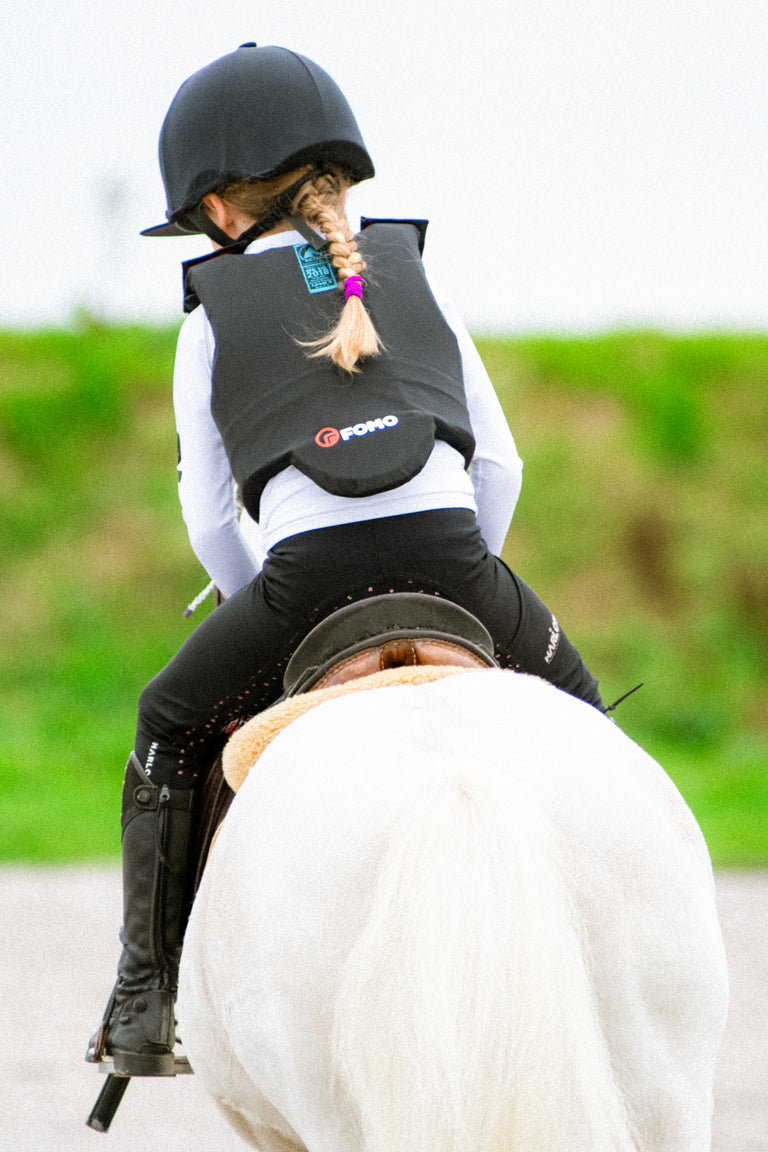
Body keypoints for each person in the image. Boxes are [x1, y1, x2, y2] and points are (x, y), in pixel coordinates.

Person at [87, 43, 604, 1077]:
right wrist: (460, 575)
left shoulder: (211, 316)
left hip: (305, 583)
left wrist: (266, 610)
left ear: (220, 210)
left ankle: (145, 999)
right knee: (583, 719)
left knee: (168, 725)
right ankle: (602, 943)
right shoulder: (414, 276)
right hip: (458, 566)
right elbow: (495, 463)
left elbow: (207, 515)